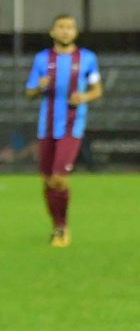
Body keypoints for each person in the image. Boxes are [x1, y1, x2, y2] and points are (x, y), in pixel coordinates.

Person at [24, 14, 103, 248]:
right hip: (46, 126)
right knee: (48, 180)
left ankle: (62, 227)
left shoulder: (87, 58)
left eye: (70, 27)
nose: (66, 31)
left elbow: (97, 90)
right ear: (52, 32)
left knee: (59, 178)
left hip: (72, 126)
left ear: (75, 32)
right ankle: (56, 226)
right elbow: (29, 92)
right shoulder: (42, 59)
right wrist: (38, 87)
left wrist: (83, 97)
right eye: (61, 27)